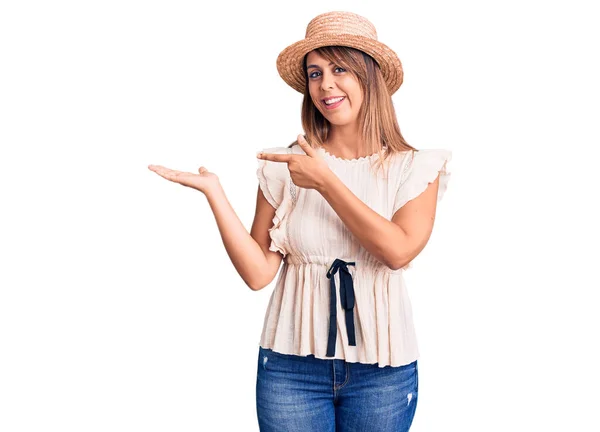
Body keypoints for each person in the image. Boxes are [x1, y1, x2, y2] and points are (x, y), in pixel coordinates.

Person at [149, 10, 451, 432]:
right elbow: (258, 274)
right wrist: (215, 193)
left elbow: (397, 251)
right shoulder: (285, 167)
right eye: (315, 73)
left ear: (370, 77)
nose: (325, 84)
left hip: (382, 371)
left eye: (339, 68)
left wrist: (327, 182)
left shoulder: (415, 167)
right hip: (291, 369)